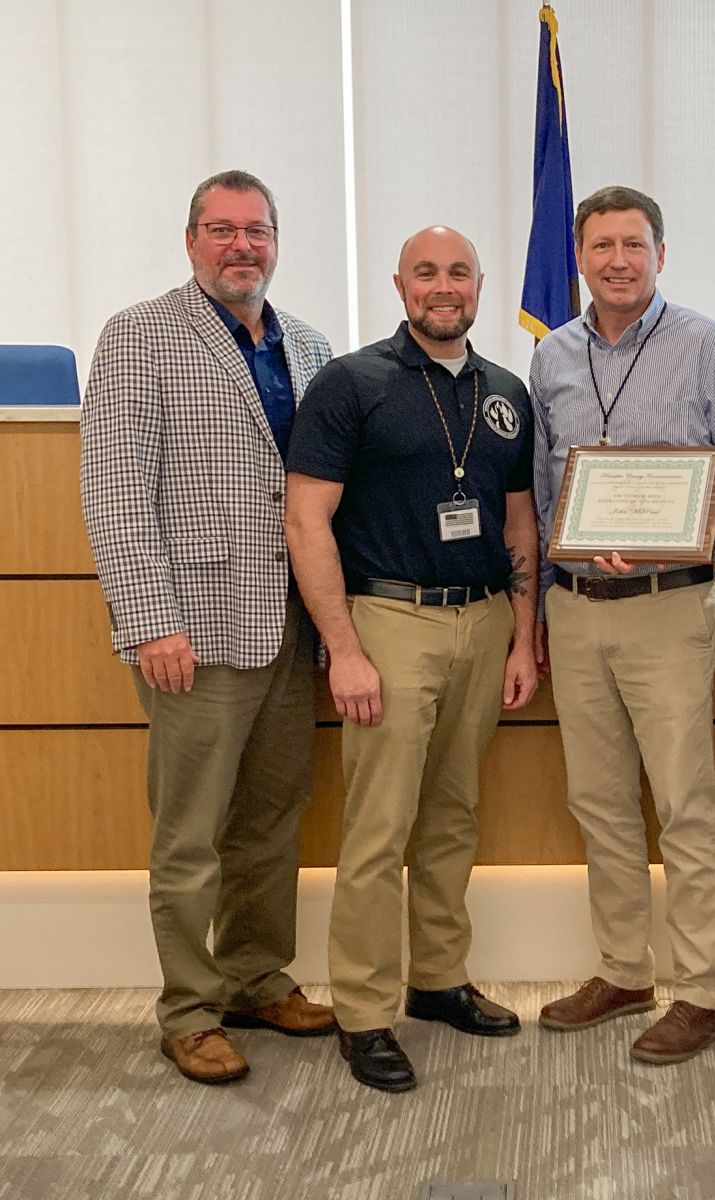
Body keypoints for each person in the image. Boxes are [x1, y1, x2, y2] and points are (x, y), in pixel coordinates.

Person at [80, 169, 336, 1085]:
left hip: (288, 631)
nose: (242, 246)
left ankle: (255, 977)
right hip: (192, 629)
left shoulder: (309, 345)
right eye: (221, 230)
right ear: (191, 241)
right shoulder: (140, 336)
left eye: (257, 230)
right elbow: (114, 491)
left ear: (277, 240)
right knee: (190, 832)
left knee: (271, 821)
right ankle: (188, 1009)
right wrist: (150, 619)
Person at [284, 226, 538, 1093]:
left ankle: (438, 980)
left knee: (452, 817)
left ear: (478, 284)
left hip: (483, 621)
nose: (443, 286)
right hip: (390, 621)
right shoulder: (351, 383)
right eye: (425, 272)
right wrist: (343, 649)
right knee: (378, 829)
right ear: (399, 285)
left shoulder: (505, 392)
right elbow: (305, 518)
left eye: (458, 271)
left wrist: (524, 634)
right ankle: (362, 1011)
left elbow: (517, 522)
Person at [530, 186, 715, 1064]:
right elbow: (544, 487)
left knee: (684, 806)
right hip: (576, 609)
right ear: (582, 258)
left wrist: (681, 540)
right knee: (598, 802)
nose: (618, 260)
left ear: (660, 254)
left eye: (634, 244)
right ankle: (624, 969)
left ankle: (700, 990)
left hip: (669, 609)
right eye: (601, 246)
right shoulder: (551, 357)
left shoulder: (706, 344)